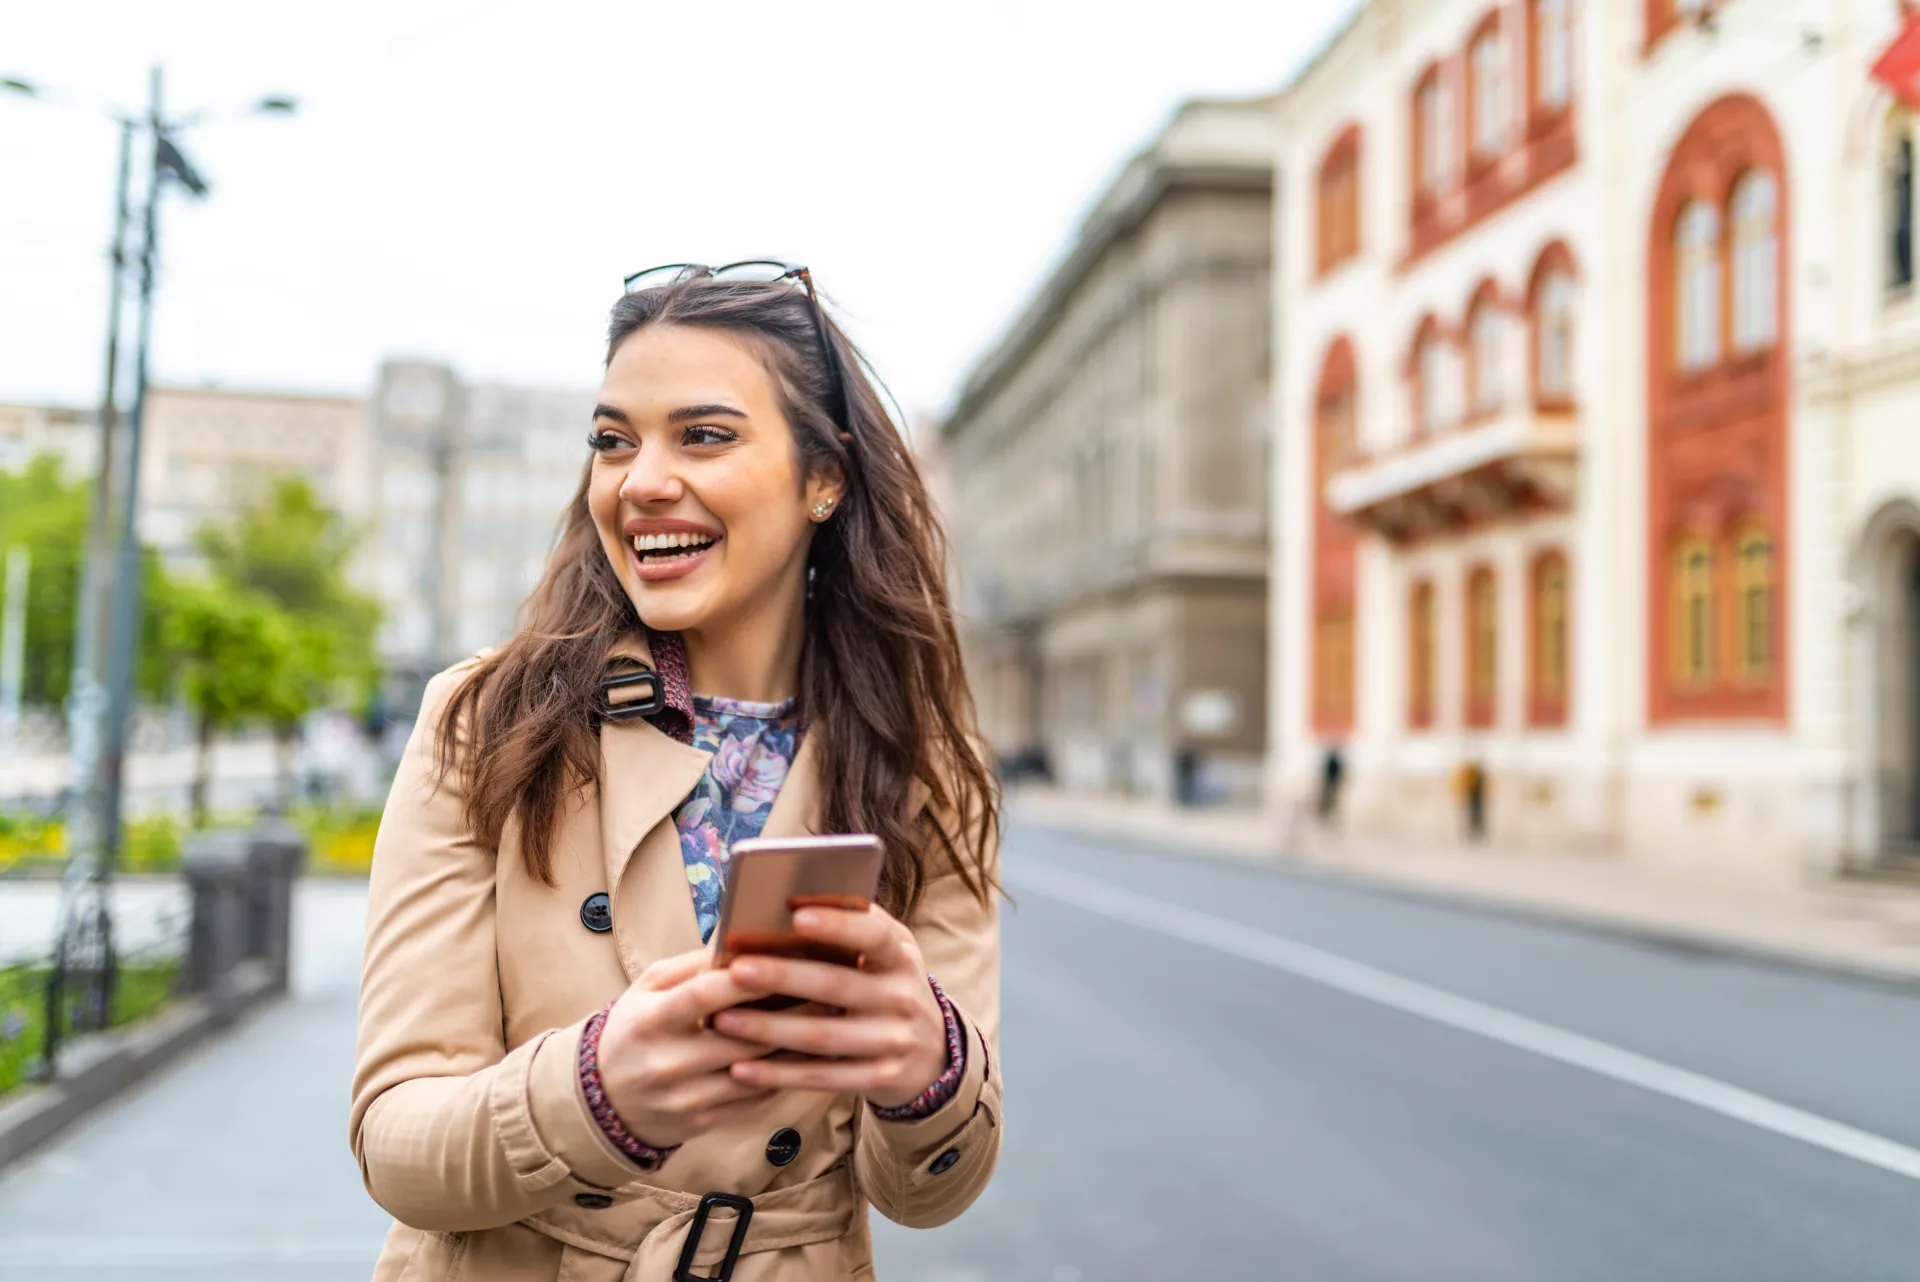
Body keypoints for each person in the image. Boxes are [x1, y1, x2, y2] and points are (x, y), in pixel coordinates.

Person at [350, 263, 1004, 1281]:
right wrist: (595, 1091)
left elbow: (932, 1191)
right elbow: (396, 1144)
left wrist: (929, 1069)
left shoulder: (923, 761)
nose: (641, 479)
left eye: (703, 435)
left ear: (823, 479)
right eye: (614, 441)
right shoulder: (485, 721)